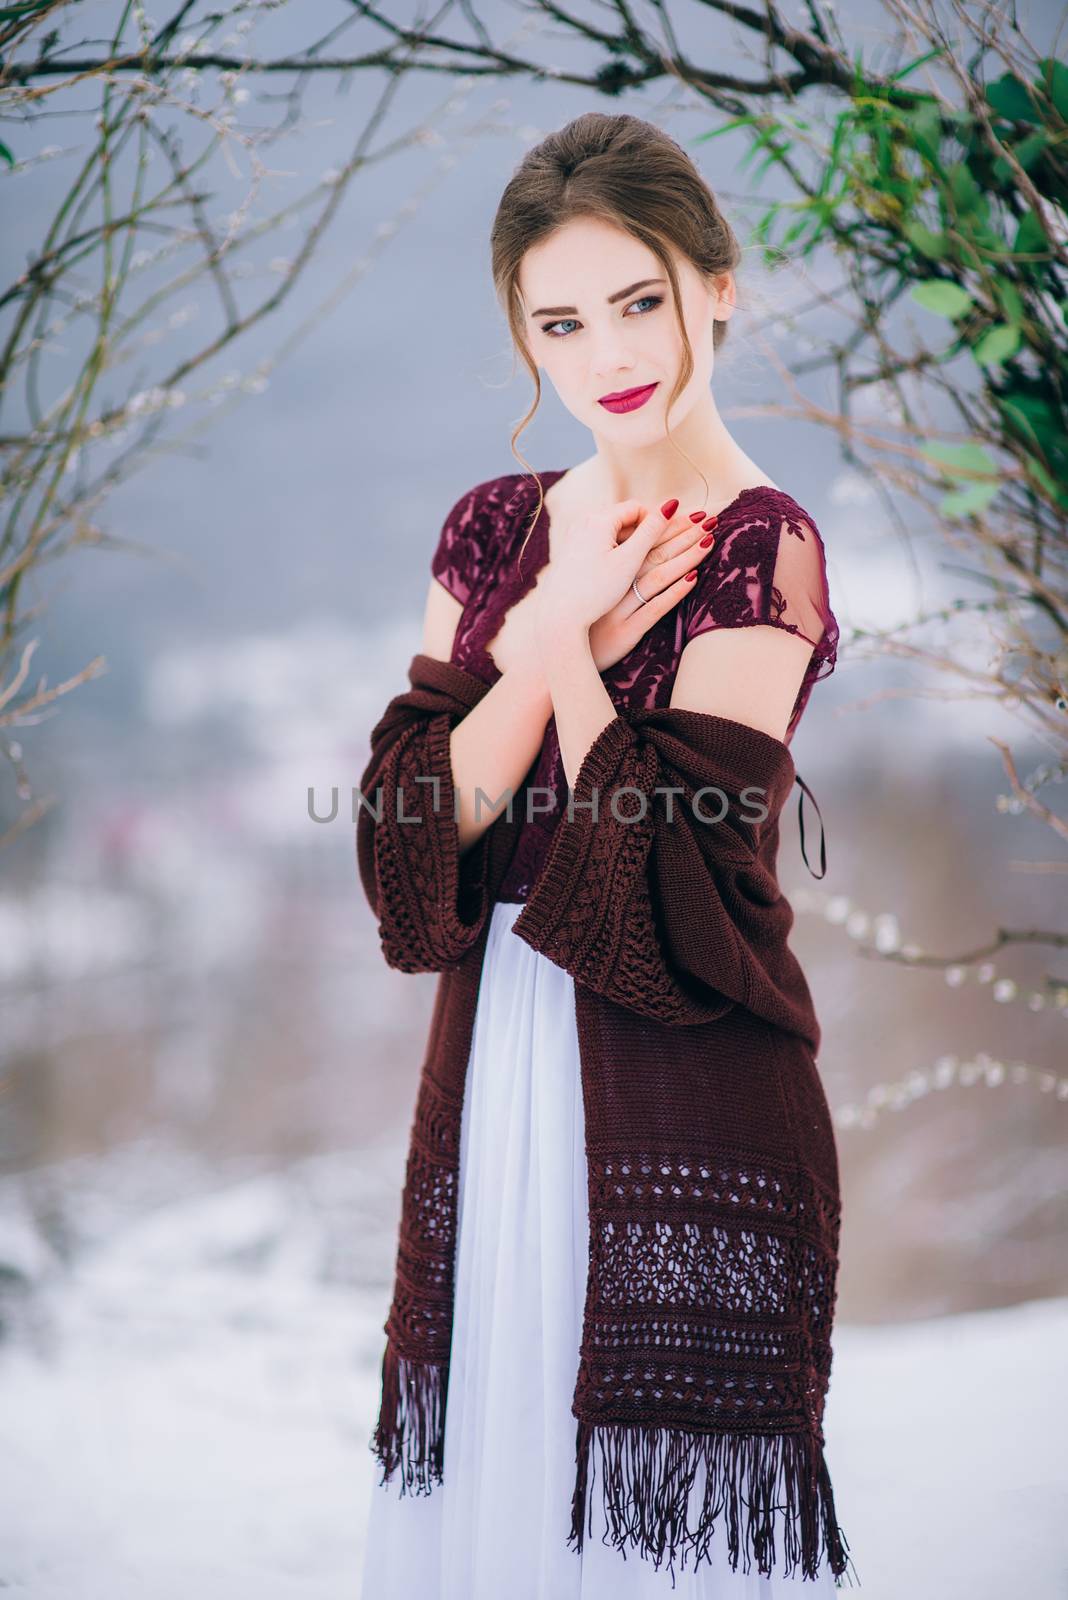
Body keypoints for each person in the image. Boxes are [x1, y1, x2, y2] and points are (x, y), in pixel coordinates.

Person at [357, 111, 851, 1598]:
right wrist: (555, 628)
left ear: (718, 284)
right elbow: (402, 852)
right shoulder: (494, 527)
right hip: (500, 1069)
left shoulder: (765, 548)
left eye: (638, 300)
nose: (607, 352)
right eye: (559, 320)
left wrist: (568, 661)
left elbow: (663, 886)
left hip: (680, 1074)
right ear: (524, 335)